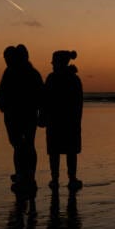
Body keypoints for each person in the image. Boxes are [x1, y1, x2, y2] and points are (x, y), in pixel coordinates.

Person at [0, 44, 44, 196]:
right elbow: (41, 95)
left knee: (21, 145)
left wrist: (4, 106)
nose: (6, 61)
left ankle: (24, 175)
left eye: (7, 58)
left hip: (20, 115)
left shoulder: (15, 72)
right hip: (21, 114)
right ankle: (26, 175)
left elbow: (40, 95)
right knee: (25, 145)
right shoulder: (30, 72)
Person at [39, 50, 83, 191]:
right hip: (68, 121)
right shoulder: (73, 79)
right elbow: (78, 103)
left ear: (60, 63)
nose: (52, 65)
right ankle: (70, 178)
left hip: (58, 121)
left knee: (57, 151)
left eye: (54, 62)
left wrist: (42, 117)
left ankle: (57, 179)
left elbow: (44, 100)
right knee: (67, 151)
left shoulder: (52, 78)